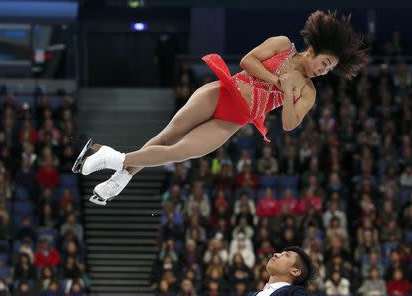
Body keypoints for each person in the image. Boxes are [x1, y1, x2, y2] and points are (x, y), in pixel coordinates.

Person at [72, 10, 368, 205]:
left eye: (329, 70)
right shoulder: (282, 45)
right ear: (313, 50)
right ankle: (120, 175)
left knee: (180, 152)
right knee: (167, 137)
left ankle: (109, 157)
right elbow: (247, 62)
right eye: (325, 63)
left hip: (233, 121)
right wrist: (277, 80)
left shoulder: (308, 90)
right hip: (220, 93)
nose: (323, 71)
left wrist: (290, 91)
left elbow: (290, 124)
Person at [250, 246, 317, 295]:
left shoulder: (295, 293)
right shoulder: (252, 294)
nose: (276, 254)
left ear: (295, 271)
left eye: (286, 255)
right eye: (281, 253)